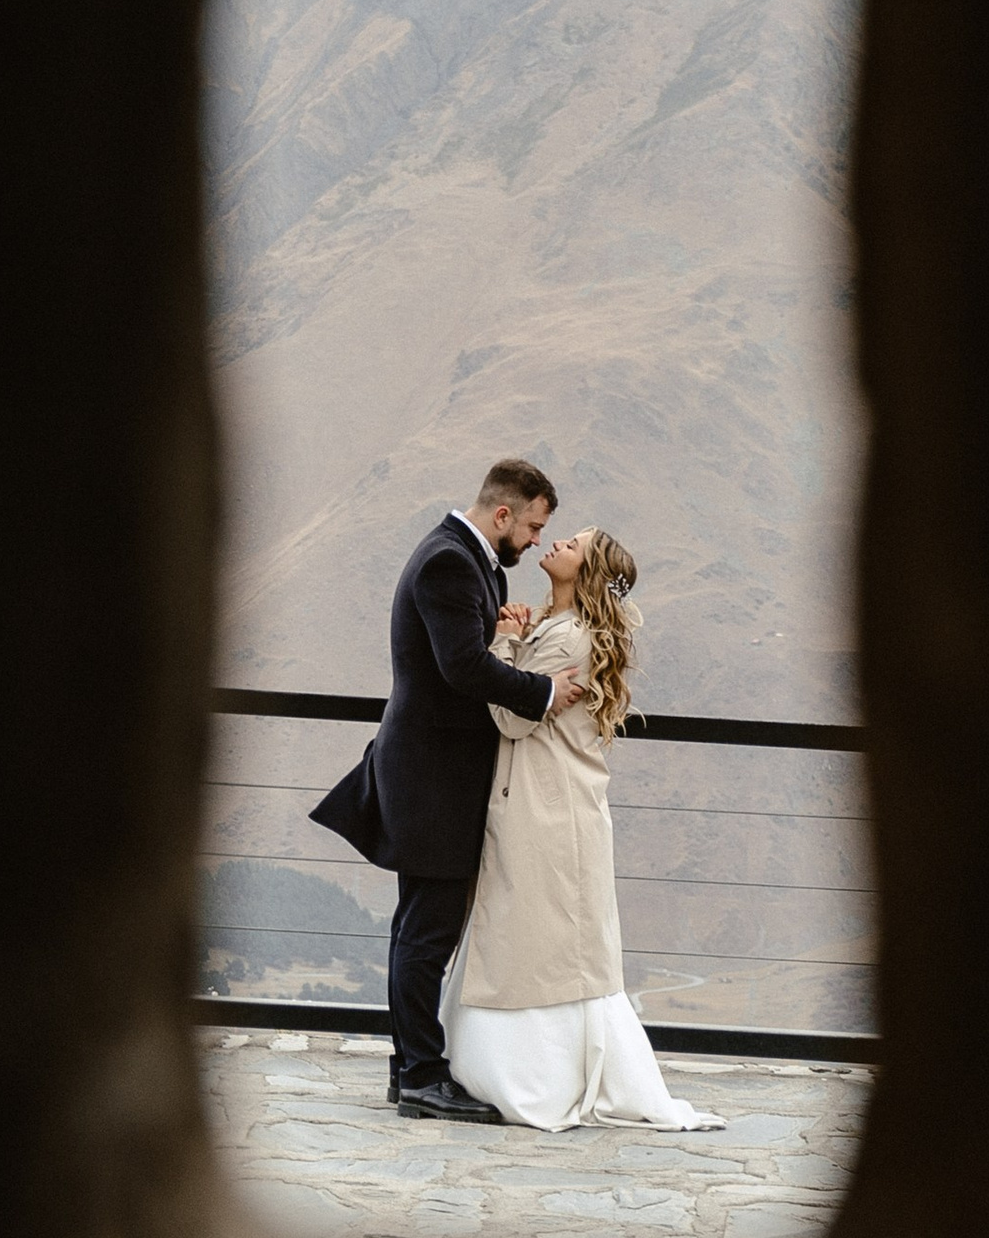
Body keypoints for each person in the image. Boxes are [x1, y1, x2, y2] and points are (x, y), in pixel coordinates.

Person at [310, 461, 583, 1121]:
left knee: (421, 928)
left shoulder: (471, 561)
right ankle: (423, 1077)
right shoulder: (449, 563)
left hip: (434, 775)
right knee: (427, 931)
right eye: (533, 525)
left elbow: (463, 648)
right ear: (503, 515)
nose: (535, 540)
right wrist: (545, 692)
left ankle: (410, 1071)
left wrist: (504, 635)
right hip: (431, 779)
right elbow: (460, 667)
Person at [442, 526, 725, 1132]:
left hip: (546, 810)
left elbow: (511, 719)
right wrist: (518, 644)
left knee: (535, 935)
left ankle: (535, 1079)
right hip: (555, 805)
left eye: (572, 542)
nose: (558, 543)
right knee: (545, 935)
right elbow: (526, 700)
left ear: (588, 569)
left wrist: (500, 645)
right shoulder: (559, 626)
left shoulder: (569, 637)